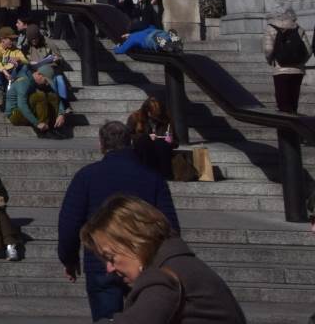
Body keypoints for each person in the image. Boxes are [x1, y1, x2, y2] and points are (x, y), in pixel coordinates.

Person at [58, 121, 181, 321]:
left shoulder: (86, 176)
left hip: (102, 262)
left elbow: (69, 224)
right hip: (143, 261)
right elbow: (169, 226)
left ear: (101, 144)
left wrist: (69, 259)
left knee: (107, 318)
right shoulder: (152, 177)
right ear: (129, 142)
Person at [79, 195, 245, 324]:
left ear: (134, 241)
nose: (109, 268)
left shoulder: (163, 276)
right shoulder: (179, 263)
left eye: (110, 257)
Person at [263, 4, 306, 113]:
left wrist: (270, 61)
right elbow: (308, 49)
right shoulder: (298, 28)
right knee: (293, 102)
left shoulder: (270, 28)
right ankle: (294, 120)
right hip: (298, 70)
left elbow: (268, 49)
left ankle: (285, 123)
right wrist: (301, 61)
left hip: (280, 70)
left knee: (283, 104)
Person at [6, 66, 69, 136]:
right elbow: (22, 105)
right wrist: (37, 123)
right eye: (46, 80)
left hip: (28, 112)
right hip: (15, 115)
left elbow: (56, 96)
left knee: (52, 95)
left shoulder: (36, 81)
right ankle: (43, 129)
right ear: (39, 75)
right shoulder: (23, 82)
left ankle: (54, 126)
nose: (47, 83)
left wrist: (61, 114)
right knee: (39, 96)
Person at [125, 96, 176, 180]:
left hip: (160, 151)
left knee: (162, 144)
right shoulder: (135, 117)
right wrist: (147, 137)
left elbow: (176, 142)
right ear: (147, 111)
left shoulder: (166, 119)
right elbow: (128, 136)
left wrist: (170, 140)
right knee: (144, 140)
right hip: (142, 150)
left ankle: (165, 175)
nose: (156, 117)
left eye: (158, 115)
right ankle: (145, 172)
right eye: (154, 114)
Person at [0, 26, 26, 102]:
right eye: (11, 39)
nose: (13, 41)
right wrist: (4, 71)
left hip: (10, 76)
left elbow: (25, 61)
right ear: (2, 39)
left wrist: (19, 59)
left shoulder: (15, 49)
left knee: (23, 67)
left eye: (14, 39)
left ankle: (18, 88)